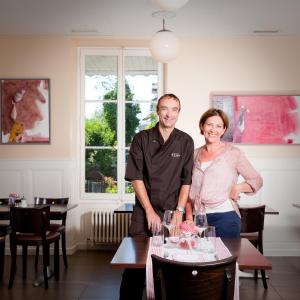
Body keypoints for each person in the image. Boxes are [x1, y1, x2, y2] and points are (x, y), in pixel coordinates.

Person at [119, 93, 194, 299]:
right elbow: (136, 178)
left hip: (171, 213)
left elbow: (186, 181)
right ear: (157, 111)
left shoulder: (186, 141)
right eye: (164, 108)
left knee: (170, 266)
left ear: (179, 112)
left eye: (174, 109)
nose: (169, 114)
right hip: (144, 213)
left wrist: (179, 212)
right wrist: (150, 211)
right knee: (135, 267)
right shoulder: (141, 138)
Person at [185, 108, 263, 238]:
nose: (213, 129)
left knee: (223, 257)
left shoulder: (233, 153)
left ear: (223, 130)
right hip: (197, 218)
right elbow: (186, 188)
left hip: (225, 217)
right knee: (198, 257)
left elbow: (257, 180)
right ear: (202, 126)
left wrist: (238, 188)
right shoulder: (193, 155)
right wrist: (188, 216)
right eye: (209, 124)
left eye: (218, 126)